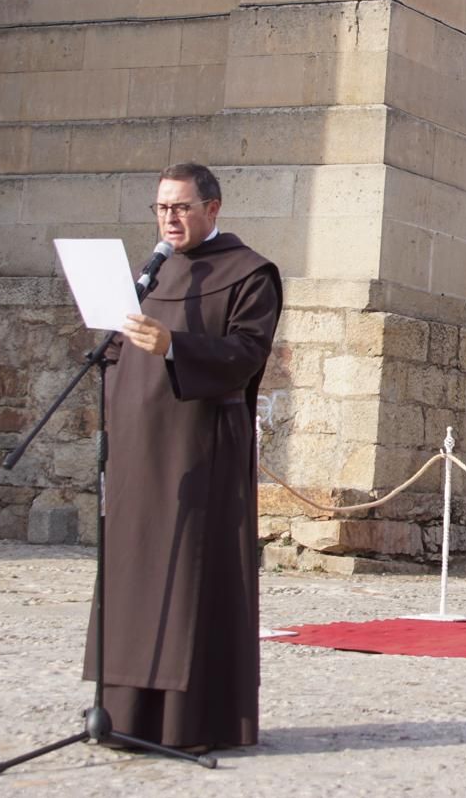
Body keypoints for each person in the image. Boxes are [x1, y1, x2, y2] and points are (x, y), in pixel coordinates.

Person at [83, 161, 282, 751]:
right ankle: (121, 716)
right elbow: (117, 352)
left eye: (182, 207)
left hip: (201, 449)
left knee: (189, 577)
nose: (170, 218)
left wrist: (175, 346)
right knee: (134, 575)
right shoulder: (152, 273)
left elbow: (246, 355)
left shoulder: (251, 273)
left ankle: (187, 724)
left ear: (212, 209)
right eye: (162, 208)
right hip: (140, 451)